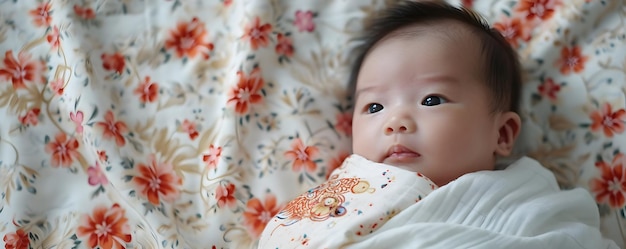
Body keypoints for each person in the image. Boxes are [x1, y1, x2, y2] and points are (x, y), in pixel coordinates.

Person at [258, 1, 618, 248]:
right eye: (374, 106)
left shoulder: (524, 198)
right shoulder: (343, 194)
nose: (395, 121)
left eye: (431, 100)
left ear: (503, 133)